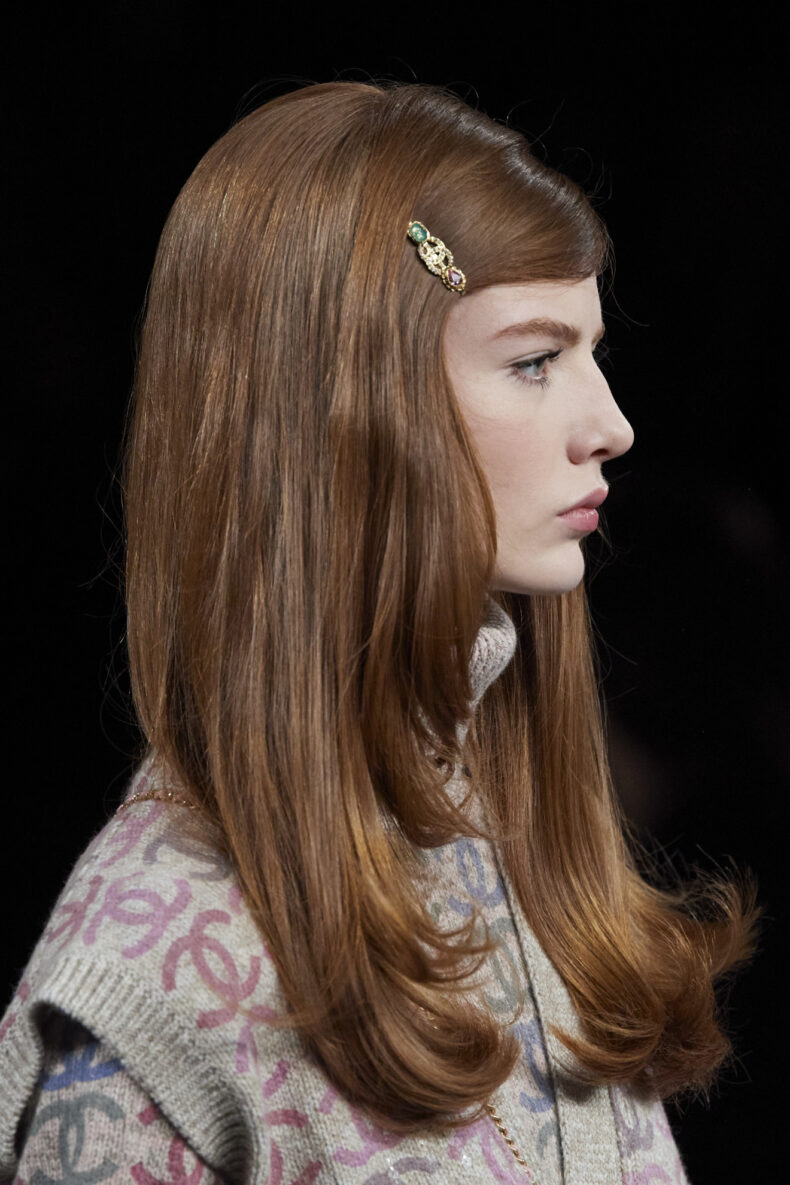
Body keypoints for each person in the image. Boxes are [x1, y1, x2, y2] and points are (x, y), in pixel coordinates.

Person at [0, 80, 761, 1184]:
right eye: (534, 359)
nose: (611, 424)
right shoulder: (151, 979)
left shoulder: (516, 848)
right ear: (348, 403)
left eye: (590, 352)